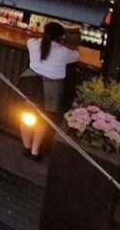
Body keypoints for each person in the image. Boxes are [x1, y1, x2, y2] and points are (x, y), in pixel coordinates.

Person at [19, 22, 80, 160]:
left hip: (32, 83)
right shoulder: (64, 52)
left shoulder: (34, 44)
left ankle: (26, 147)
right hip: (51, 89)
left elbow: (28, 40)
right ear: (61, 37)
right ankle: (35, 151)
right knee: (42, 119)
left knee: (27, 116)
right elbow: (77, 55)